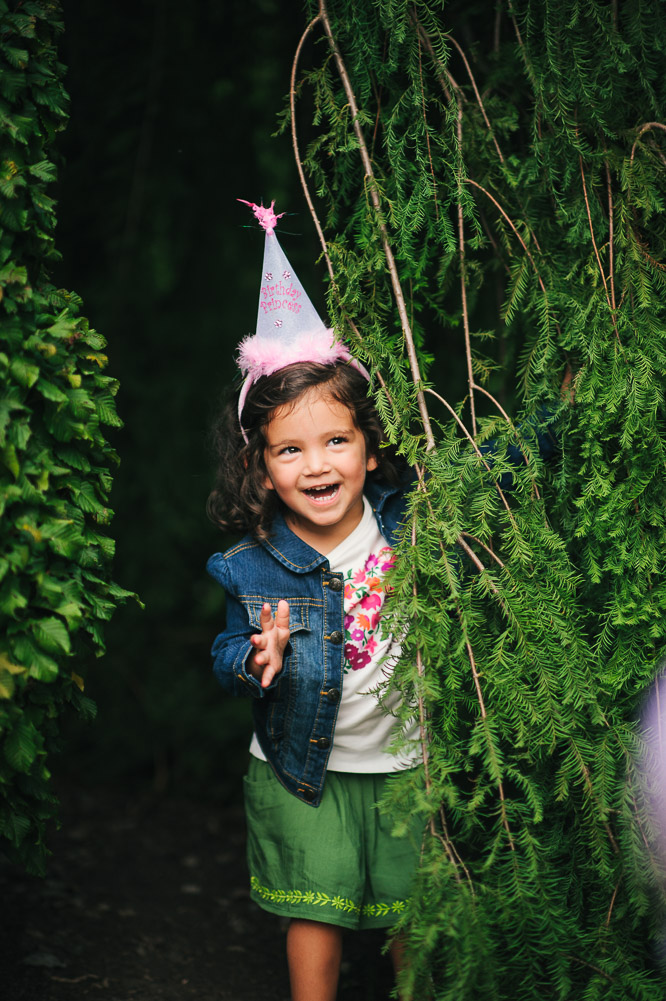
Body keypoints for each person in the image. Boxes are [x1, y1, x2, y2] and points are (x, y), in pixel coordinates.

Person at [207, 201, 423, 1001]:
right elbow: (227, 650)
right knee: (316, 917)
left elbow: (490, 475)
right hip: (305, 770)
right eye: (290, 449)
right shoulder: (251, 564)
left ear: (369, 445)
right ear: (262, 469)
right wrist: (255, 659)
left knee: (414, 916)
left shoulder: (410, 526)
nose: (318, 464)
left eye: (337, 440)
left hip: (407, 762)